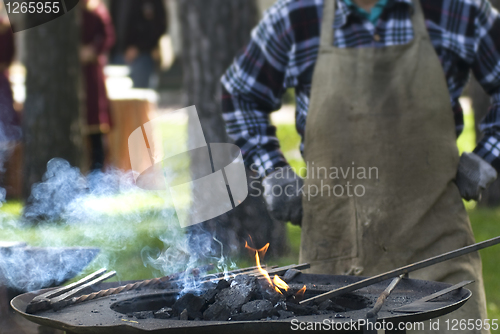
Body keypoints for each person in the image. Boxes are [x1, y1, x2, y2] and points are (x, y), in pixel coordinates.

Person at [221, 0, 500, 333]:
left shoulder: (458, 10)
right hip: (332, 279)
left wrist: (487, 155)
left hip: (438, 270)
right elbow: (240, 94)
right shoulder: (296, 17)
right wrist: (273, 170)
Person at [81, 0, 115, 170]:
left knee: (95, 124)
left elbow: (107, 36)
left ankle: (97, 170)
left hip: (91, 73)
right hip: (74, 71)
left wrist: (92, 50)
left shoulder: (97, 11)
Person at [109, 0, 167, 88]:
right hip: (117, 55)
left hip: (142, 57)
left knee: (140, 96)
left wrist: (138, 48)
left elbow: (160, 25)